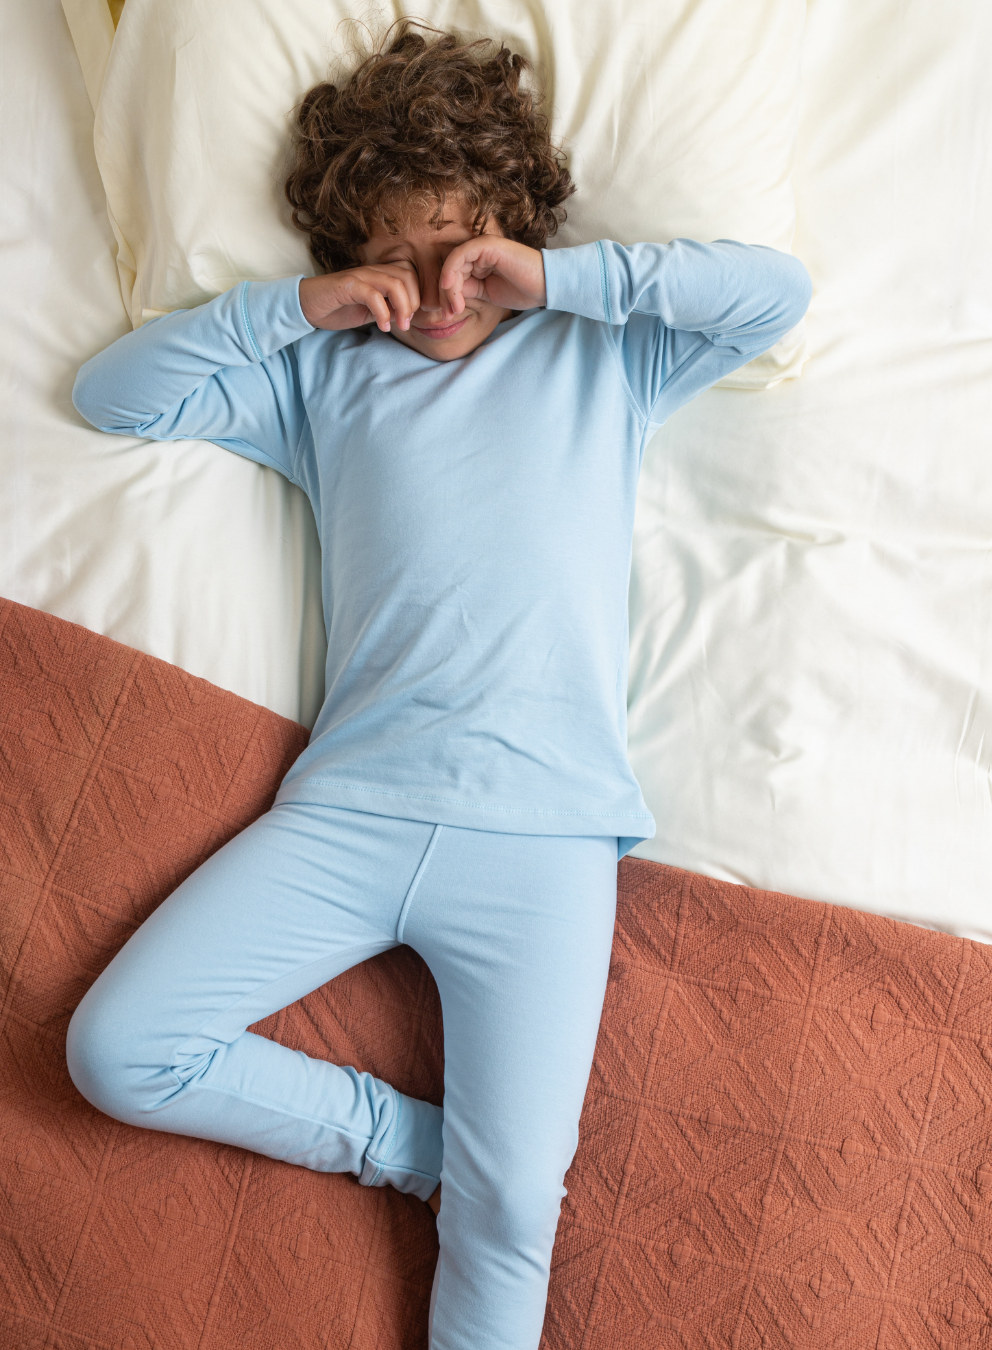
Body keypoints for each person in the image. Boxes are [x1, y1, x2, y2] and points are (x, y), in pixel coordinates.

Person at [65, 22, 812, 1350]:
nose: (437, 293)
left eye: (461, 252)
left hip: (545, 836)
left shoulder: (603, 353)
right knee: (118, 1049)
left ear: (512, 231)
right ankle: (417, 1148)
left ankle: (478, 1175)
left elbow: (773, 295)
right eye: (397, 261)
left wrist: (557, 279)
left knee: (514, 1208)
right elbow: (116, 396)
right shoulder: (323, 378)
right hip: (351, 811)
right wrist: (299, 308)